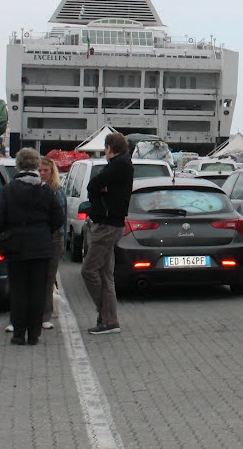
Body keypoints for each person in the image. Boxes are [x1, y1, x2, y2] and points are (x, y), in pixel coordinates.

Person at [0, 148, 63, 345]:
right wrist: (43, 230)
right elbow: (58, 219)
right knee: (38, 291)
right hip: (41, 247)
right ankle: (34, 334)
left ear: (18, 165)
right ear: (36, 166)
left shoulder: (8, 190)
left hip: (16, 247)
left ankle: (18, 333)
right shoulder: (45, 190)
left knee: (18, 290)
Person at [82, 133, 133, 335]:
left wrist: (100, 189)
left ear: (110, 147)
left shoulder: (118, 164)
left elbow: (93, 185)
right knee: (105, 273)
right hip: (113, 223)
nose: (105, 152)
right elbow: (98, 185)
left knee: (89, 270)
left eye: (105, 148)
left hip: (107, 224)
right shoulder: (124, 164)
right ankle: (110, 321)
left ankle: (105, 313)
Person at [40, 155, 67, 330]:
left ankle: (45, 316)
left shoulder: (57, 191)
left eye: (46, 170)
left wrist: (62, 244)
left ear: (52, 172)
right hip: (38, 238)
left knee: (49, 278)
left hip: (54, 237)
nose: (42, 173)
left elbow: (61, 220)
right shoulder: (36, 189)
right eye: (40, 170)